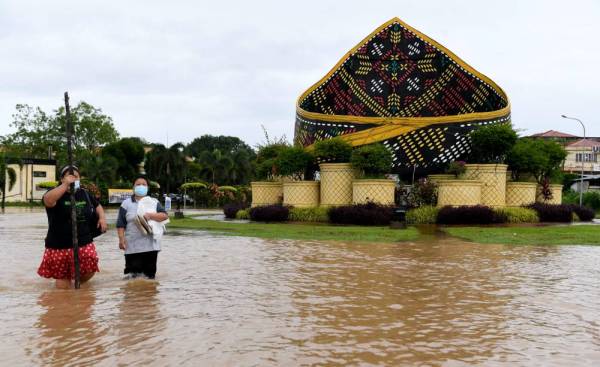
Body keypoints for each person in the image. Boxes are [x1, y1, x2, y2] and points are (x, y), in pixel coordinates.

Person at [38, 165, 108, 289]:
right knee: (63, 288)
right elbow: (48, 201)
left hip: (84, 241)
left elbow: (97, 205)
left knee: (90, 267)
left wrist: (102, 218)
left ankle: (77, 289)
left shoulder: (84, 193)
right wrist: (65, 185)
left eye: (75, 177)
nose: (73, 179)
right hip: (59, 245)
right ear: (61, 179)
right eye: (69, 177)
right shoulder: (54, 193)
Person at [116, 176, 169, 279]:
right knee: (131, 278)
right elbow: (120, 224)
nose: (141, 186)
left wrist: (151, 215)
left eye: (144, 184)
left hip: (151, 247)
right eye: (138, 184)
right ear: (133, 187)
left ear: (148, 188)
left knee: (149, 279)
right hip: (132, 247)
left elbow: (164, 216)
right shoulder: (126, 204)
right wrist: (121, 240)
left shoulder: (154, 202)